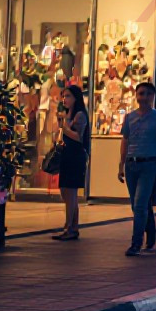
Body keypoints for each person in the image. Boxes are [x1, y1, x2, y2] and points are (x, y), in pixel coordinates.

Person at [117, 82, 156, 256]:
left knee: (140, 204)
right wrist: (121, 163)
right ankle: (150, 229)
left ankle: (136, 243)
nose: (144, 97)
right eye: (140, 93)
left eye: (147, 94)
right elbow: (125, 140)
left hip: (149, 164)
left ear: (153, 96)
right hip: (131, 164)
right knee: (137, 204)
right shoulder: (129, 117)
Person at [51, 85, 90, 242]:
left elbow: (78, 137)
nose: (64, 99)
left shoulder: (79, 115)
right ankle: (72, 226)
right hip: (67, 154)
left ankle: (69, 227)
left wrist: (64, 127)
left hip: (75, 155)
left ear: (75, 98)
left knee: (70, 192)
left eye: (68, 96)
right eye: (63, 96)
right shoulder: (68, 114)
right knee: (66, 191)